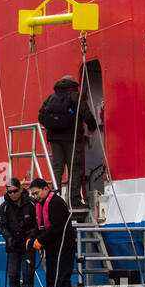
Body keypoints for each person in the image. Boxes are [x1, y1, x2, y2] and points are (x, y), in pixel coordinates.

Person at [37, 74, 99, 211]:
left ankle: (54, 199)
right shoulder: (76, 96)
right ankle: (74, 201)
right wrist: (93, 128)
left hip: (54, 139)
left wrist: (52, 126)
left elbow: (41, 116)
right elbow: (87, 114)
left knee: (57, 169)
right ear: (73, 85)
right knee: (74, 170)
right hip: (72, 139)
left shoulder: (51, 98)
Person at [27, 177, 76, 287]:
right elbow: (39, 226)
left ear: (46, 189)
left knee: (62, 277)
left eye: (37, 193)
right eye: (33, 194)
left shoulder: (57, 203)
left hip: (63, 248)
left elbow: (57, 227)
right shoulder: (41, 205)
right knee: (51, 279)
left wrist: (40, 240)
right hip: (52, 249)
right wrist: (32, 238)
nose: (35, 197)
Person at [0, 177, 37, 287]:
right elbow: (1, 225)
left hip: (27, 245)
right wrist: (8, 238)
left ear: (20, 189)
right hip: (13, 246)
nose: (12, 194)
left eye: (14, 191)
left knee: (27, 275)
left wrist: (31, 237)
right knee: (13, 275)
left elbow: (37, 223)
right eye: (9, 192)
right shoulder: (5, 206)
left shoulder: (31, 203)